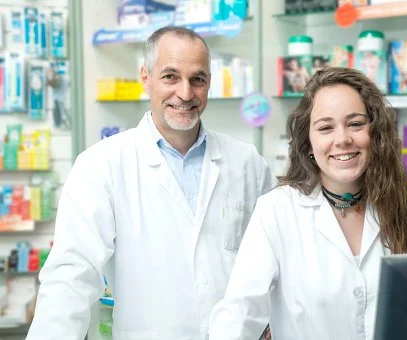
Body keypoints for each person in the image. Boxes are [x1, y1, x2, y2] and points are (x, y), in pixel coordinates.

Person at [27, 26, 276, 339]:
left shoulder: (247, 163)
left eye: (197, 79)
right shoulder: (100, 166)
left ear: (209, 82)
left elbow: (273, 262)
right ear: (145, 78)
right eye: (170, 76)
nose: (185, 93)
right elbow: (71, 277)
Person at [209, 67, 407, 340]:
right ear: (308, 143)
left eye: (355, 123)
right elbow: (238, 316)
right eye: (326, 128)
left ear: (375, 133)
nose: (342, 139)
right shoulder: (277, 211)